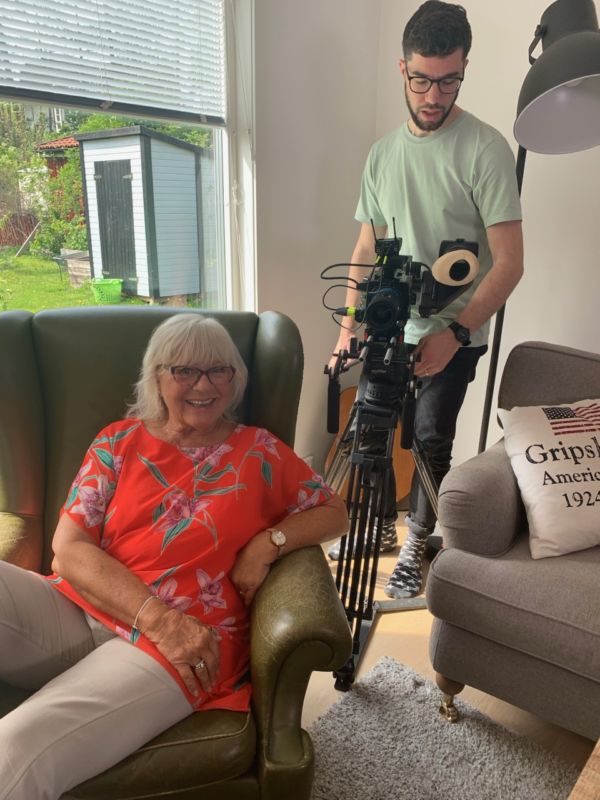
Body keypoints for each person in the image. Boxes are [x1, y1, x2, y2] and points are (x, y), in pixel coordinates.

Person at [0, 313, 348, 800]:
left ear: (236, 378)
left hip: (182, 646)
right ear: (157, 377)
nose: (203, 385)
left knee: (16, 744)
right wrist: (155, 617)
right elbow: (68, 548)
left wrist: (269, 543)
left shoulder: (259, 451)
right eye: (184, 370)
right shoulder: (117, 441)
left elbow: (334, 511)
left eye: (218, 370)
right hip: (82, 609)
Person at [327, 1, 523, 599]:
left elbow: (510, 263)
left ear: (464, 70)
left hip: (453, 328)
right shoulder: (382, 154)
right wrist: (349, 326)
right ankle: (377, 527)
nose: (433, 96)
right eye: (421, 80)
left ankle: (418, 538)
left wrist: (455, 333)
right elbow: (366, 246)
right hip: (389, 322)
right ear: (402, 69)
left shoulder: (486, 149)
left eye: (448, 81)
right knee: (372, 432)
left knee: (432, 436)